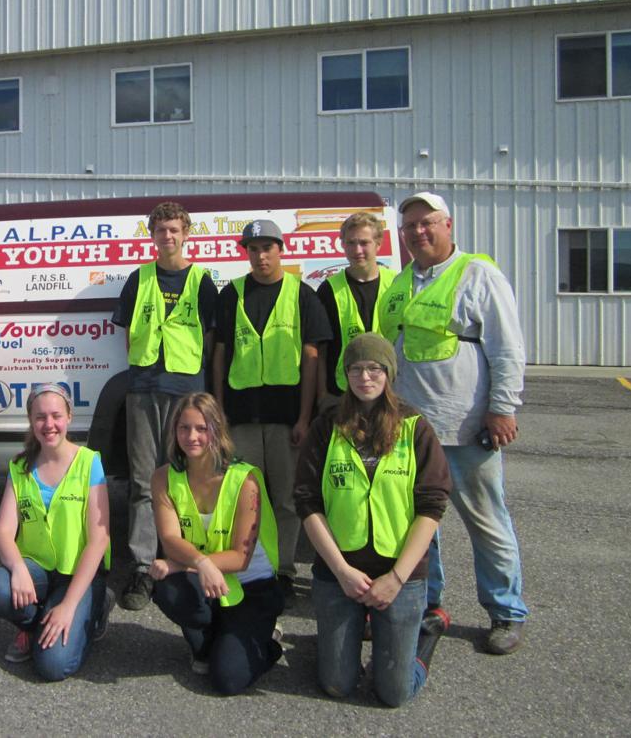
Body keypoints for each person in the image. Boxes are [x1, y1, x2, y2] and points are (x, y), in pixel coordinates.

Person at [378, 192, 528, 655]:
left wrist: (502, 408)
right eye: (410, 227)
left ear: (448, 224)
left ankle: (506, 612)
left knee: (486, 522)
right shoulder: (400, 283)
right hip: (411, 432)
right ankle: (431, 605)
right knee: (423, 527)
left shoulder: (478, 275)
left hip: (464, 431)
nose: (418, 232)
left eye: (427, 223)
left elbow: (507, 349)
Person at [295, 333, 451, 706]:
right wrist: (342, 571)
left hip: (399, 575)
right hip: (339, 574)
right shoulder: (326, 426)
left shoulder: (415, 427)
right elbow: (307, 501)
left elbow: (432, 507)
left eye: (374, 368)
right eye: (356, 369)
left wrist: (396, 578)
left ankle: (424, 636)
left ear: (389, 373)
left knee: (394, 693)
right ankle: (340, 643)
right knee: (336, 685)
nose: (365, 377)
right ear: (345, 374)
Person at [212, 219, 330, 607]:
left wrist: (303, 417)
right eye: (253, 249)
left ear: (281, 249)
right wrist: (218, 410)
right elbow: (220, 353)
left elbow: (312, 357)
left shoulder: (302, 294)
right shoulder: (232, 294)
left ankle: (283, 571)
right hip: (242, 415)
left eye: (267, 247)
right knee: (247, 497)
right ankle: (252, 568)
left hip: (285, 417)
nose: (260, 256)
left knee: (285, 499)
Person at [112, 201, 218, 611]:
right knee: (143, 480)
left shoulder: (201, 281)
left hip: (187, 392)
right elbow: (127, 334)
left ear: (186, 233)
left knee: (189, 478)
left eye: (174, 230)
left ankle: (186, 559)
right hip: (143, 389)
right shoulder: (137, 280)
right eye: (161, 231)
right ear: (152, 235)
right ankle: (141, 566)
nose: (168, 237)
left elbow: (210, 341)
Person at [149, 393, 285, 695]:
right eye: (184, 428)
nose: (192, 436)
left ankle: (265, 643)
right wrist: (198, 563)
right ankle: (214, 635)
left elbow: (241, 558)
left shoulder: (244, 479)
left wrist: (188, 564)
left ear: (217, 430)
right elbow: (170, 539)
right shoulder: (163, 478)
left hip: (250, 585)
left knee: (227, 680)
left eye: (201, 428)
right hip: (205, 576)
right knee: (167, 589)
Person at [0, 383, 113, 682]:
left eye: (56, 415)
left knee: (53, 666)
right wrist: (17, 569)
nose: (48, 424)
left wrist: (68, 606)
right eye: (40, 417)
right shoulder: (20, 465)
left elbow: (99, 539)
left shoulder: (89, 462)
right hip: (36, 571)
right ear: (31, 420)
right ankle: (32, 625)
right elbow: (2, 532)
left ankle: (93, 612)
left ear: (69, 416)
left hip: (78, 576)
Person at [317, 212, 397, 401]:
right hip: (343, 392)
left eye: (364, 243)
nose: (357, 250)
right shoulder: (329, 289)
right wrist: (322, 396)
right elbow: (321, 351)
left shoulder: (397, 284)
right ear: (342, 244)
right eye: (351, 243)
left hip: (391, 390)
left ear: (378, 243)